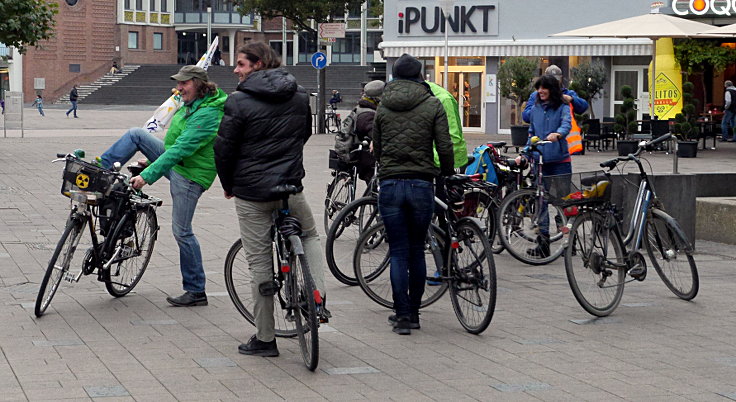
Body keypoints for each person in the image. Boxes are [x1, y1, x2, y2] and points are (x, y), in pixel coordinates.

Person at [214, 41, 329, 357]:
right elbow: (303, 134)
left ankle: (265, 338)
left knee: (259, 262)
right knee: (310, 236)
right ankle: (317, 295)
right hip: (291, 188)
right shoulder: (299, 95)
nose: (235, 70)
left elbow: (223, 149)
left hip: (252, 194)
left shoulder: (238, 101)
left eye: (241, 64)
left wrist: (228, 184)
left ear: (259, 64)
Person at [97, 65, 228, 307]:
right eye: (178, 83)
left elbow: (182, 149)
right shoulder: (191, 105)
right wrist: (151, 158)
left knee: (182, 232)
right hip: (178, 163)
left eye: (184, 84)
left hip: (191, 176)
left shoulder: (209, 113)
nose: (178, 88)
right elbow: (174, 143)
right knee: (137, 134)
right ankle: (101, 172)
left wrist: (147, 175)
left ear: (198, 84)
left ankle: (196, 290)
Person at [372, 53, 454, 335]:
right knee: (417, 251)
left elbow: (378, 146)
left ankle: (402, 315)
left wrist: (388, 165)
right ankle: (415, 315)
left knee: (398, 252)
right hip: (421, 184)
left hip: (392, 184)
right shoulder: (432, 104)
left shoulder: (383, 105)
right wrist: (446, 172)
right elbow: (444, 145)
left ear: (394, 76)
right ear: (421, 75)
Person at [517, 74, 572, 258]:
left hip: (560, 161)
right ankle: (543, 244)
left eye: (544, 88)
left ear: (552, 90)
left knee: (564, 202)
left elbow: (567, 125)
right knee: (541, 202)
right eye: (538, 88)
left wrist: (558, 134)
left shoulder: (563, 107)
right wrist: (524, 153)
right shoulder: (535, 109)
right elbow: (531, 133)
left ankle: (570, 242)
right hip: (540, 160)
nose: (540, 91)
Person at [335, 79, 385, 182]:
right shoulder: (368, 114)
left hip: (352, 152)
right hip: (362, 158)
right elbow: (374, 134)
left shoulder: (360, 108)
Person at [522, 65, 588, 124]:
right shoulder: (537, 95)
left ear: (560, 79)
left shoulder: (568, 93)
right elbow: (526, 117)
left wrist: (572, 99)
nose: (553, 83)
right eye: (550, 80)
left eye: (556, 80)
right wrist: (540, 107)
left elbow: (583, 107)